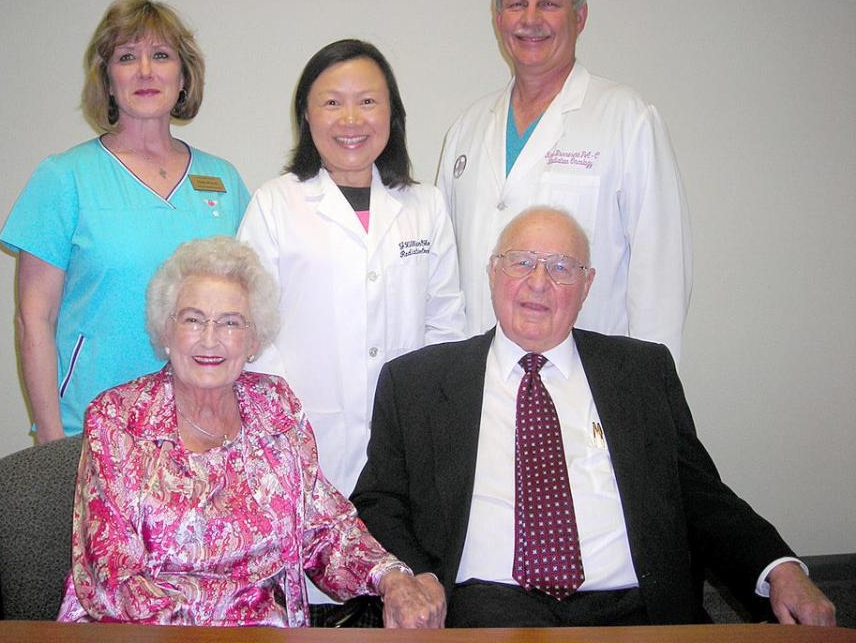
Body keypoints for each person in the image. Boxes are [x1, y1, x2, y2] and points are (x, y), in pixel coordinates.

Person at [352, 206, 836, 628]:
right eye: (522, 262)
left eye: (562, 267)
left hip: (635, 608)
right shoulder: (416, 381)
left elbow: (699, 495)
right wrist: (411, 577)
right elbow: (379, 500)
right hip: (485, 606)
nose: (538, 282)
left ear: (586, 285)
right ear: (493, 272)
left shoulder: (641, 372)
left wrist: (780, 568)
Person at [56, 237, 445, 628]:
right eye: (193, 319)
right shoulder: (119, 419)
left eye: (230, 322)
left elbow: (324, 529)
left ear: (253, 339)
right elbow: (112, 583)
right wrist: (245, 617)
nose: (210, 338)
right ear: (166, 329)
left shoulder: (275, 406)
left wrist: (392, 578)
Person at [236, 38, 465, 606]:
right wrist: (286, 429)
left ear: (393, 114)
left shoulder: (425, 206)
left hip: (406, 443)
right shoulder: (275, 203)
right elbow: (249, 329)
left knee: (406, 591)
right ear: (306, 115)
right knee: (313, 597)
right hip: (304, 440)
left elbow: (446, 328)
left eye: (368, 101)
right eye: (331, 102)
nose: (351, 119)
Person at [0, 0, 249, 442]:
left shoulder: (224, 181)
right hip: (94, 430)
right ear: (108, 80)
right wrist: (50, 438)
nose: (145, 71)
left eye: (161, 56)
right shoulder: (65, 178)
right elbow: (34, 317)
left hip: (206, 430)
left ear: (183, 76)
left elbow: (247, 312)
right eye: (127, 57)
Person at [437, 0, 692, 364]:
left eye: (549, 4)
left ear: (580, 18)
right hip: (482, 380)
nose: (530, 19)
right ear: (498, 17)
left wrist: (649, 395)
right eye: (517, 4)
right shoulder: (466, 129)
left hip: (589, 378)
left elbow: (660, 276)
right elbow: (442, 276)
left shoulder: (627, 118)